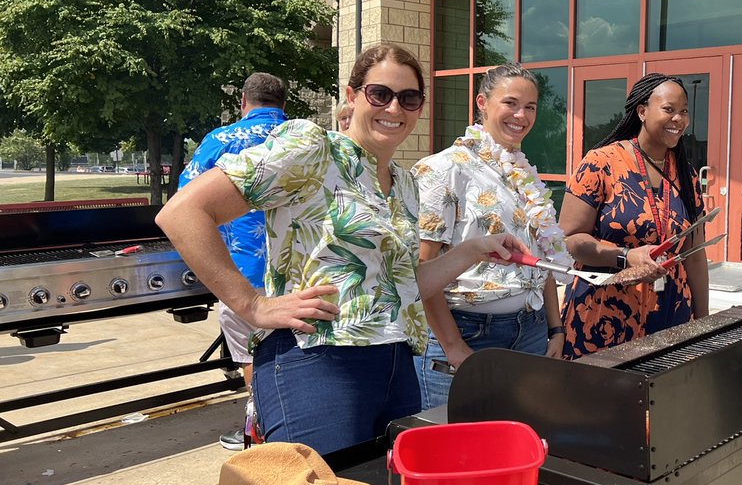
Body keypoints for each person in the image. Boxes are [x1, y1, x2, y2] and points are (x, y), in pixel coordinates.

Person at [156, 43, 524, 456]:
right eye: (380, 94)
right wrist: (252, 305)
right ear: (351, 96)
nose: (394, 108)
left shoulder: (404, 183)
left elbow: (403, 286)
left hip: (395, 362)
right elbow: (183, 212)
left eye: (409, 98)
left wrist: (474, 249)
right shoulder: (315, 149)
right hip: (317, 360)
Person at [411, 63, 570, 410]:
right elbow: (422, 268)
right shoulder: (444, 169)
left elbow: (540, 255)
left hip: (530, 330)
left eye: (530, 107)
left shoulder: (522, 171)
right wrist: (454, 347)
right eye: (510, 103)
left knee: (517, 444)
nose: (521, 115)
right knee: (457, 452)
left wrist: (554, 329)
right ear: (482, 102)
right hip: (467, 333)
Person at [558, 73, 709, 359]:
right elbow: (569, 239)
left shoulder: (686, 175)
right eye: (669, 109)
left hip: (670, 317)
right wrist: (626, 256)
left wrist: (703, 324)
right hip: (603, 317)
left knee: (662, 401)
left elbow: (695, 255)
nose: (678, 119)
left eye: (684, 111)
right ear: (642, 111)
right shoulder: (601, 163)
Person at [178, 72, 287, 451]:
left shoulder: (221, 141)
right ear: (283, 104)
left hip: (243, 274)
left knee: (250, 354)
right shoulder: (306, 139)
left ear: (244, 101)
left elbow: (185, 201)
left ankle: (261, 427)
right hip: (298, 272)